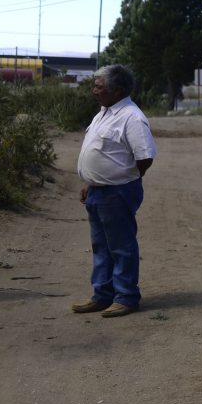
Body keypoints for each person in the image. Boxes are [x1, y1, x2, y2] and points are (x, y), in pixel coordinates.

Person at [71, 64, 157, 318]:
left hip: (117, 192)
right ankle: (102, 295)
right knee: (101, 247)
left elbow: (145, 157)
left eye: (99, 86)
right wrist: (92, 182)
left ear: (117, 90)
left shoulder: (132, 117)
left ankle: (126, 298)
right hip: (99, 192)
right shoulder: (103, 113)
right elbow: (103, 153)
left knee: (121, 246)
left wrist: (123, 179)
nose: (94, 90)